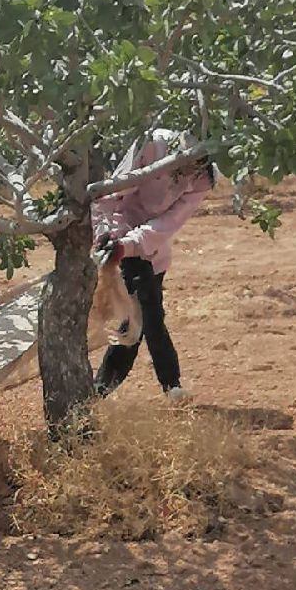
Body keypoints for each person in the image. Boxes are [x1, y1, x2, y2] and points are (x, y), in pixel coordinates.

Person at [91, 129, 216, 399]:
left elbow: (169, 222)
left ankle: (98, 393)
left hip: (150, 249)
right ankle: (170, 386)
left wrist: (128, 246)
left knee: (139, 324)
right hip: (117, 233)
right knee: (147, 316)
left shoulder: (204, 178)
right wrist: (107, 236)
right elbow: (111, 195)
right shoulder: (151, 144)